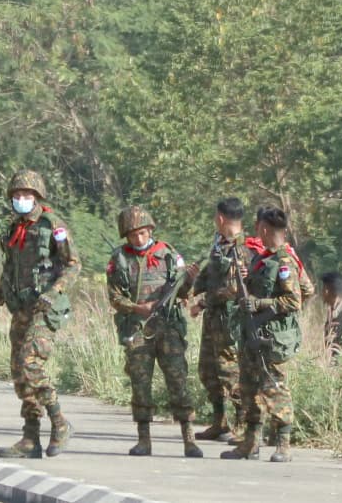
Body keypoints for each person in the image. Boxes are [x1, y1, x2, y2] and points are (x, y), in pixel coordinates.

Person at [0, 170, 80, 458]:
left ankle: (59, 422)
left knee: (31, 364)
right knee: (20, 374)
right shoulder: (13, 229)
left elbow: (73, 265)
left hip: (44, 309)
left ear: (37, 197)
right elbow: (8, 272)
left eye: (27, 195)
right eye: (17, 195)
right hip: (20, 309)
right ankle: (30, 438)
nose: (21, 199)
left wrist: (54, 291)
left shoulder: (52, 226)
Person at [105, 206, 202, 458]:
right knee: (140, 383)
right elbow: (114, 296)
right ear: (126, 235)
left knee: (178, 381)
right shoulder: (120, 259)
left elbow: (182, 292)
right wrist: (137, 307)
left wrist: (190, 280)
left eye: (143, 232)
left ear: (150, 230)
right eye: (133, 234)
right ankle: (144, 439)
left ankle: (189, 439)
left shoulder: (168, 255)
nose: (139, 238)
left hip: (169, 328)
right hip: (137, 328)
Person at [221, 207, 302, 463]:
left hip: (270, 338)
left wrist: (260, 304)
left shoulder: (284, 262)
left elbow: (294, 300)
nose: (256, 232)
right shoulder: (261, 260)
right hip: (251, 335)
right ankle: (250, 443)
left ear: (264, 229)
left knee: (274, 388)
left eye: (258, 228)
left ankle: (283, 445)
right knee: (248, 389)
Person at [184, 197, 256, 443]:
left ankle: (243, 426)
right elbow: (209, 277)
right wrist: (189, 290)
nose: (215, 221)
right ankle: (220, 422)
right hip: (213, 319)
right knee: (208, 371)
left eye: (216, 217)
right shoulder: (219, 246)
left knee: (230, 374)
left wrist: (205, 301)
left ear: (222, 218)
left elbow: (238, 288)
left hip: (230, 321)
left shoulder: (244, 248)